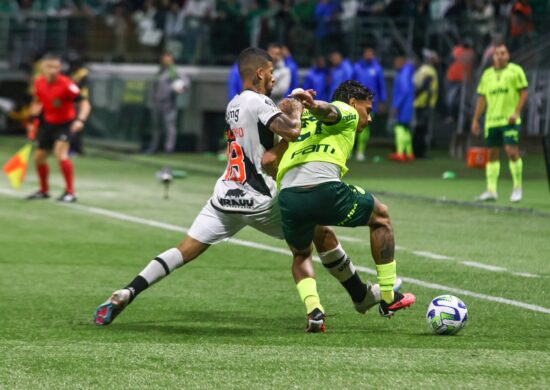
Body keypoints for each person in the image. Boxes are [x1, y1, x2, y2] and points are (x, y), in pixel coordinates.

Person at [94, 48, 380, 333]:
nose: (272, 79)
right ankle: (350, 298)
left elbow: (263, 140)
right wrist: (297, 109)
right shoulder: (258, 102)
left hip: (226, 196)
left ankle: (128, 291)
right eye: (270, 74)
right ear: (259, 73)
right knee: (318, 233)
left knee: (182, 251)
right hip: (260, 200)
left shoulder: (233, 104)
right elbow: (291, 132)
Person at [275, 81, 416, 318]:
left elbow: (269, 160)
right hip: (323, 190)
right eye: (368, 110)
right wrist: (314, 104)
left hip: (288, 196)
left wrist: (304, 106)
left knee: (304, 251)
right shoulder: (347, 110)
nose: (369, 118)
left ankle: (315, 310)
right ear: (353, 102)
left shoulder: (300, 120)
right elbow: (329, 111)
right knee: (381, 217)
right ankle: (389, 298)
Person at [26, 54, 91, 203]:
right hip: (47, 124)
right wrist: (32, 120)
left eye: (56, 67)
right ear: (42, 67)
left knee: (60, 153)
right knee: (39, 158)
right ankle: (43, 191)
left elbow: (85, 103)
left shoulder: (68, 85)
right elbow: (37, 101)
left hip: (65, 124)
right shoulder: (39, 83)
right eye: (49, 66)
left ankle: (70, 192)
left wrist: (80, 120)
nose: (53, 70)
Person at [471, 44, 528, 203]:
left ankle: (517, 187)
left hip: (509, 120)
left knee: (511, 151)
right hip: (492, 121)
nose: (500, 56)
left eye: (503, 53)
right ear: (493, 56)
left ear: (508, 55)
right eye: (497, 54)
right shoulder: (487, 75)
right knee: (492, 155)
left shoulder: (515, 71)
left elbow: (524, 93)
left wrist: (516, 112)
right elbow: (482, 98)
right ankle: (491, 191)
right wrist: (476, 119)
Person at [146, 51, 189, 154]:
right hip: (156, 102)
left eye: (168, 59)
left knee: (169, 126)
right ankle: (154, 147)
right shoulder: (160, 71)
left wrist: (180, 87)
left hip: (169, 103)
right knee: (156, 126)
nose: (166, 61)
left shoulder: (174, 71)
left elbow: (186, 82)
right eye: (164, 59)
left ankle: (169, 148)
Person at [352, 47, 387, 161]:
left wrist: (382, 100)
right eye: (367, 53)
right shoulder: (357, 67)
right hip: (356, 102)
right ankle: (349, 150)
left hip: (370, 103)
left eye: (371, 53)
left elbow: (381, 86)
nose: (369, 55)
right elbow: (351, 84)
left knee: (365, 127)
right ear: (363, 54)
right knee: (352, 126)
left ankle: (360, 152)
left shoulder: (377, 69)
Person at [412, 49, 439, 158]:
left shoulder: (421, 70)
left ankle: (415, 150)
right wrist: (422, 98)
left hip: (419, 103)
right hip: (424, 103)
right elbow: (424, 86)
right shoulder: (429, 71)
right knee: (422, 129)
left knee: (419, 128)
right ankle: (419, 152)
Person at [389, 55, 415, 162]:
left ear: (402, 62)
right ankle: (409, 153)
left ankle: (400, 153)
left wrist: (396, 105)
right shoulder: (406, 72)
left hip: (403, 106)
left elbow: (404, 91)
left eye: (397, 62)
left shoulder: (403, 74)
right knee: (405, 129)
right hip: (407, 105)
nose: (395, 65)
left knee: (399, 128)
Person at [65, 51, 90, 156]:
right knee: (70, 126)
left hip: (81, 100)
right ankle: (71, 147)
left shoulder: (83, 72)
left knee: (77, 126)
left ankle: (76, 149)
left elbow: (77, 86)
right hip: (72, 101)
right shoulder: (71, 72)